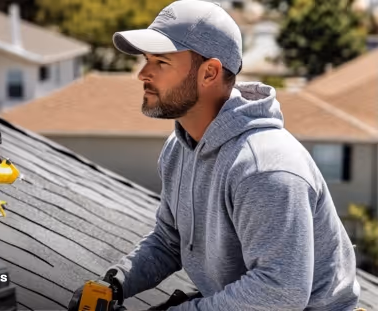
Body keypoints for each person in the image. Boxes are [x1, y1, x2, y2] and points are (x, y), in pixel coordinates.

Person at [91, 0, 361, 310]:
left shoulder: (264, 169)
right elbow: (170, 241)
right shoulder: (180, 148)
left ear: (209, 73)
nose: (143, 74)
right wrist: (114, 285)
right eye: (146, 59)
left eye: (161, 63)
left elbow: (279, 293)